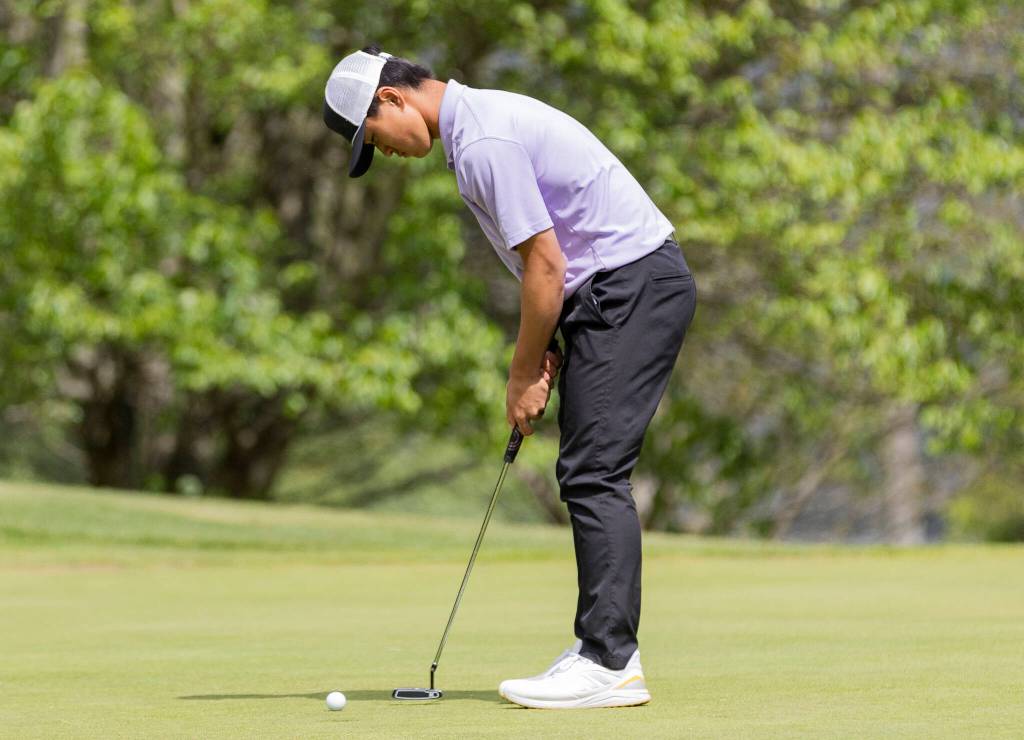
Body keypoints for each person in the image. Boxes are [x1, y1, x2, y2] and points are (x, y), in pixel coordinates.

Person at [323, 46, 696, 709]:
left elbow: (546, 267)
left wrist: (523, 372)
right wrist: (547, 341)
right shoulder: (474, 129)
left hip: (631, 286)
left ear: (391, 100)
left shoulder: (483, 140)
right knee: (587, 467)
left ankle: (611, 663)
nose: (381, 153)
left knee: (592, 469)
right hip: (612, 290)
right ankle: (596, 648)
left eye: (372, 138)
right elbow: (553, 267)